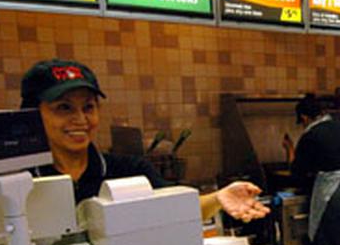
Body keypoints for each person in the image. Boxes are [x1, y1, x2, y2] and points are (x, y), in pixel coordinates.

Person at [20, 59, 269, 223]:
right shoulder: (16, 183)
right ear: (32, 114)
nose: (80, 119)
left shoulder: (130, 171)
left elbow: (174, 208)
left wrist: (217, 198)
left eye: (88, 107)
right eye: (64, 108)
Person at [282, 93, 340, 245]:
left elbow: (297, 172)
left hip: (332, 195)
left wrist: (289, 149)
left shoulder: (310, 135)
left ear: (304, 118)